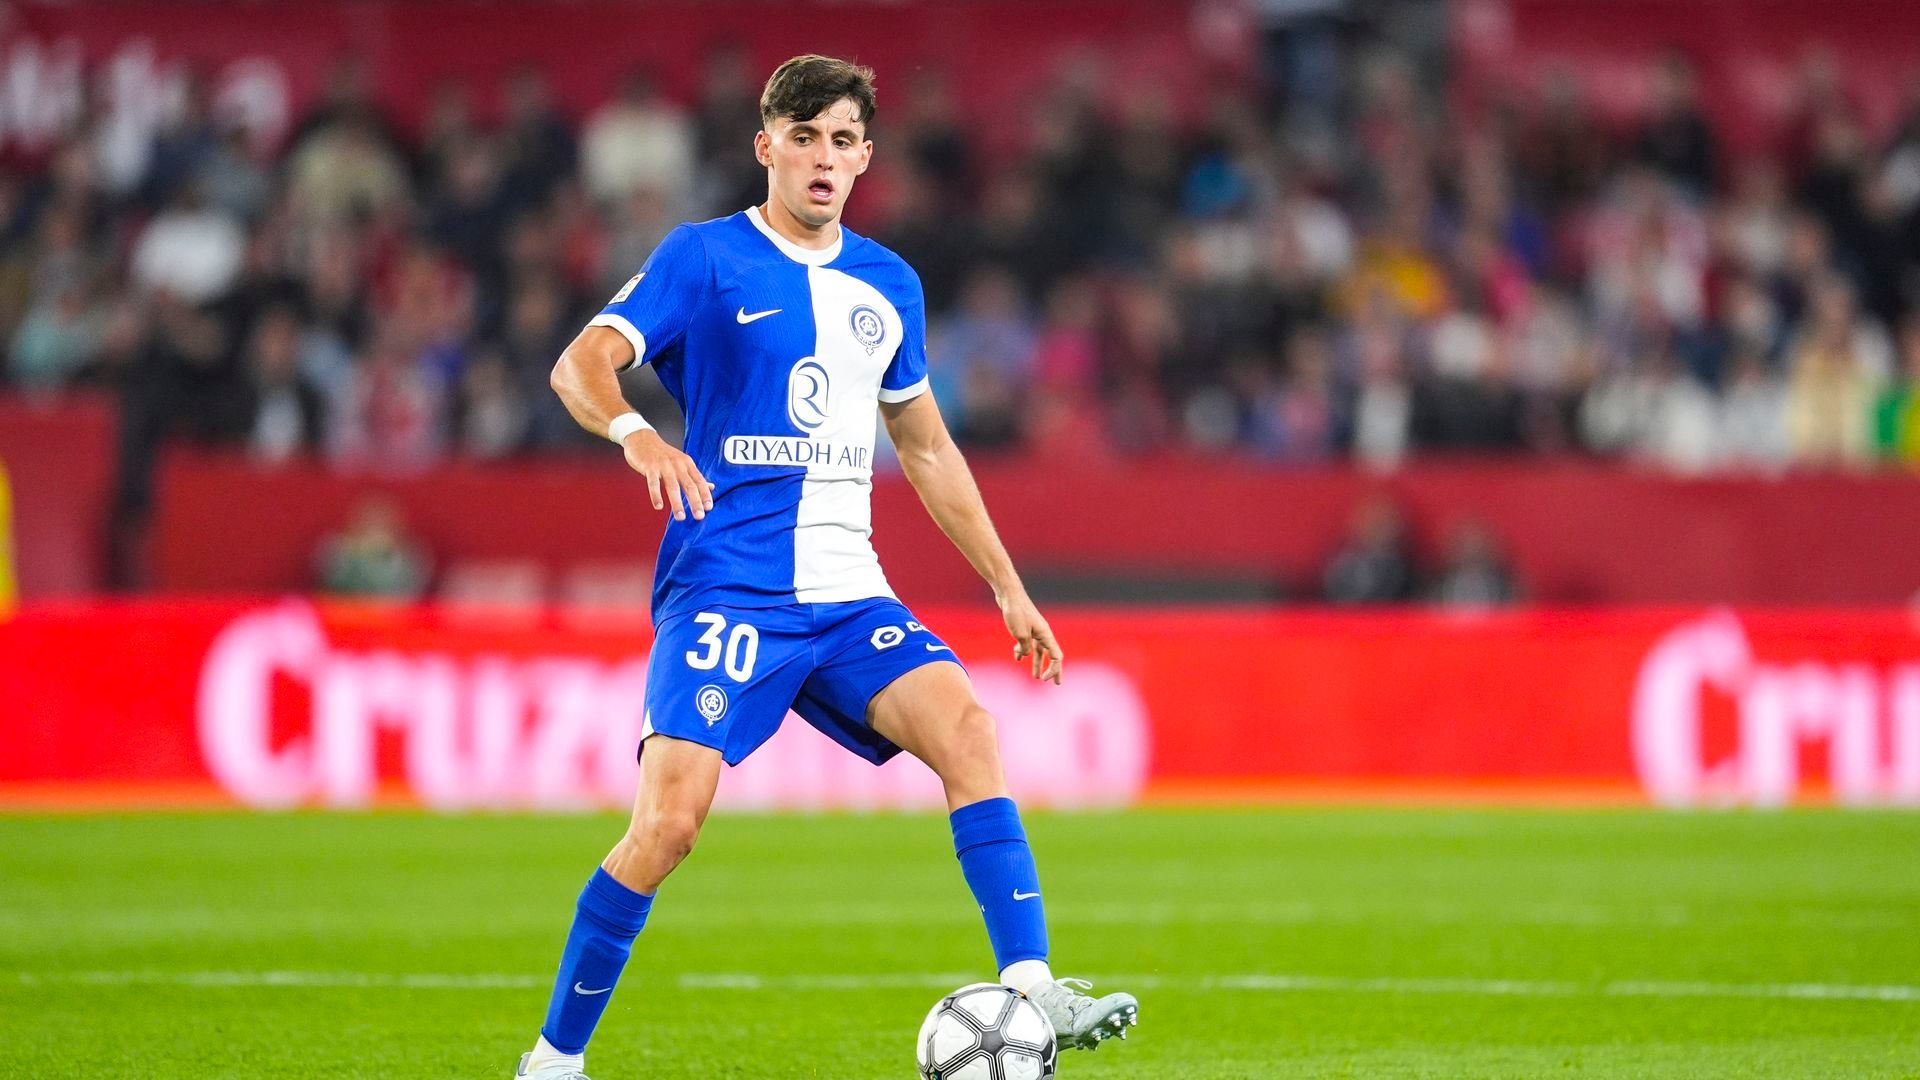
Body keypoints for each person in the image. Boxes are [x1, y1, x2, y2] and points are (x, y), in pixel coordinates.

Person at [517, 56, 1140, 1080]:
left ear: (864, 158)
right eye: (803, 137)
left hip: (849, 593)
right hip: (728, 587)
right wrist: (637, 434)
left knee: (969, 730)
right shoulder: (703, 258)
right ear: (766, 146)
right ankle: (553, 1061)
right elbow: (580, 362)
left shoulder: (889, 284)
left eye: (842, 140)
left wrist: (1007, 586)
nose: (822, 157)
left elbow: (929, 448)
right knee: (669, 827)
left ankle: (1033, 990)